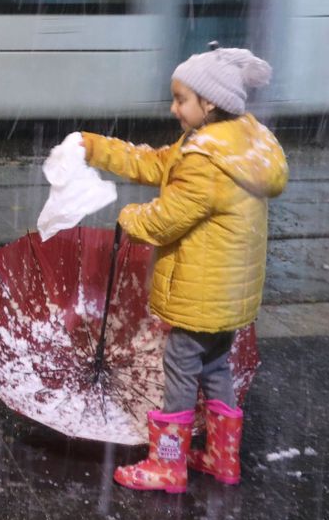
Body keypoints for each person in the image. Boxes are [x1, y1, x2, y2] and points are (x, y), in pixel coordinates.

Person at [74, 46, 287, 493]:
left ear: (208, 103)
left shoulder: (207, 160)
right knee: (216, 368)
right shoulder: (233, 142)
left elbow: (165, 220)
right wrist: (96, 148)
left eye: (180, 99)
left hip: (201, 293)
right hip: (228, 294)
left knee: (180, 369)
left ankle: (167, 464)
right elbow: (157, 163)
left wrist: (129, 217)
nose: (173, 108)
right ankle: (221, 459)